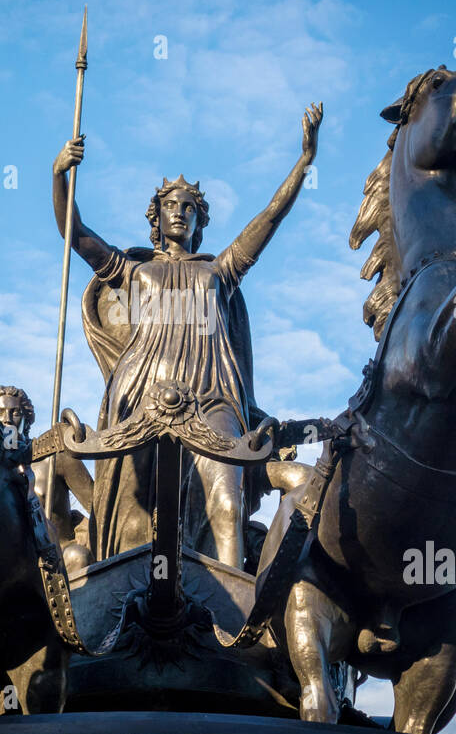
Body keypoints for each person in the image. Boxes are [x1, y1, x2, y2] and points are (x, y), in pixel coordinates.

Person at [51, 103, 323, 569]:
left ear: (200, 221)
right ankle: (124, 575)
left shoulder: (221, 271)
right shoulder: (133, 271)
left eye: (190, 208)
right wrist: (60, 176)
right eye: (170, 207)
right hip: (142, 396)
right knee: (133, 505)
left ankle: (233, 601)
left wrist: (304, 160)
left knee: (227, 501)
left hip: (211, 396)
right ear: (155, 218)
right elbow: (73, 234)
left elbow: (271, 217)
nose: (180, 213)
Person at [0, 385, 94, 572]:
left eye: (14, 413)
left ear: (26, 419)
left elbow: (99, 507)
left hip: (62, 559)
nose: (7, 420)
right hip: (14, 567)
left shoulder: (55, 458)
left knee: (77, 557)